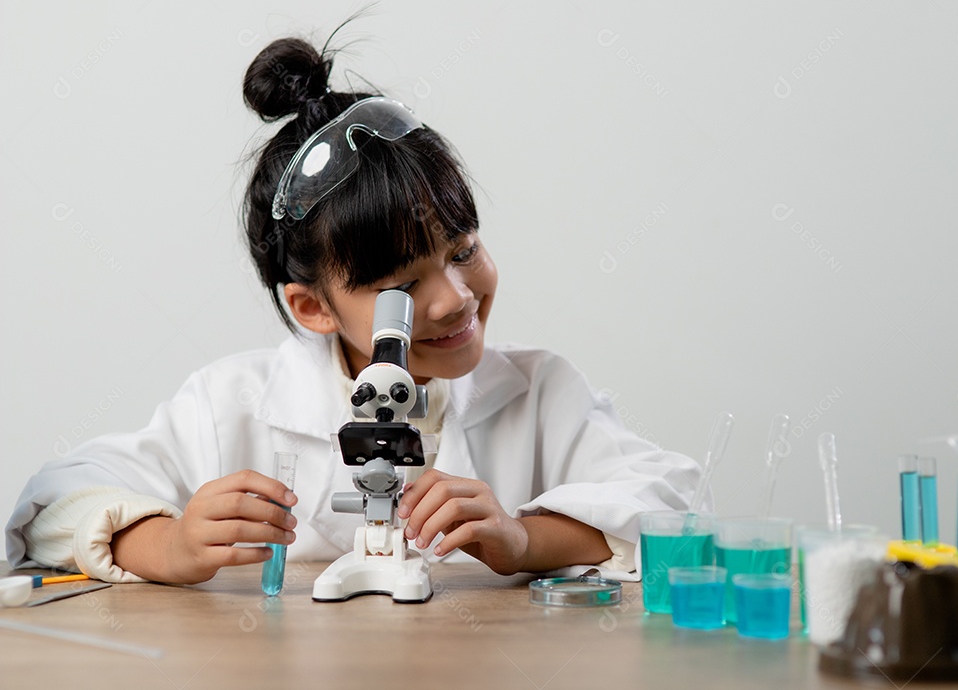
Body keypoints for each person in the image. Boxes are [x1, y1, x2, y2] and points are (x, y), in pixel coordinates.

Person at [5, 30, 701, 586]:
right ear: (313, 308)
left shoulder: (541, 392)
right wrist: (171, 545)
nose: (454, 298)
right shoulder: (233, 405)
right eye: (402, 283)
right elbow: (52, 500)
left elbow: (673, 508)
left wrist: (522, 539)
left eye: (461, 251)